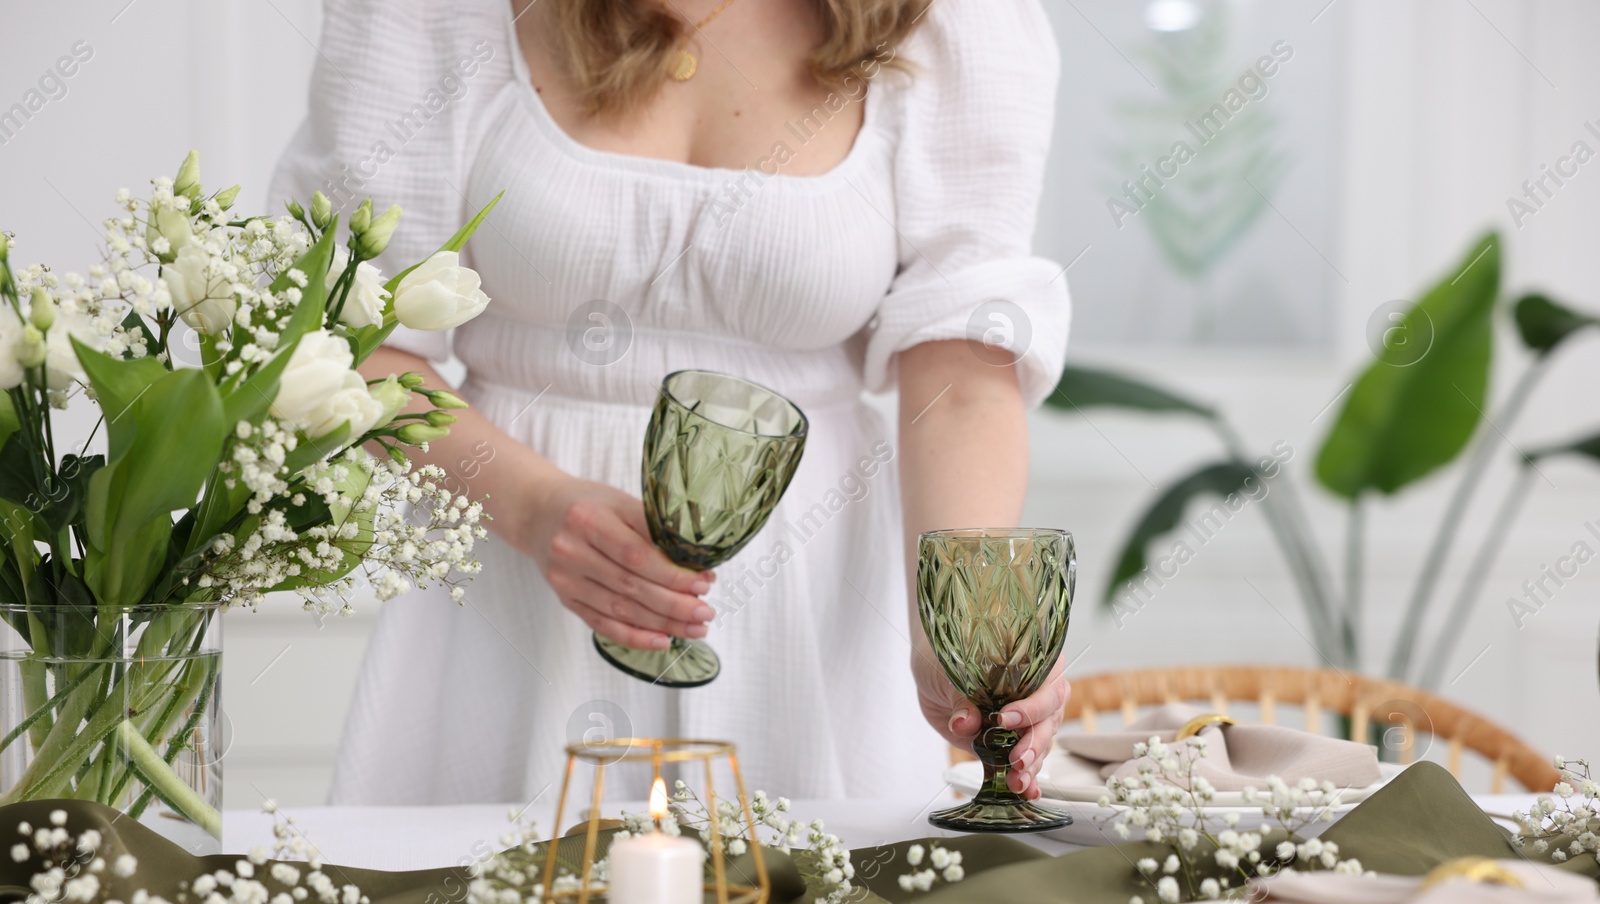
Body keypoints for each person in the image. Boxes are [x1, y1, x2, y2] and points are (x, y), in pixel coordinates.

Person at [271, 0, 1072, 805]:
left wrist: (960, 623)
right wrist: (532, 508)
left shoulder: (958, 19)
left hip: (814, 606)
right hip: (506, 590)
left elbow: (961, 369)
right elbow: (348, 336)